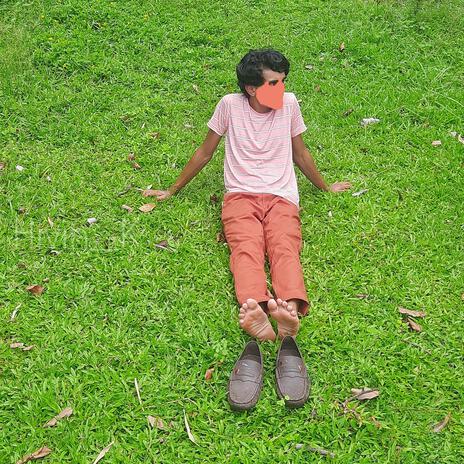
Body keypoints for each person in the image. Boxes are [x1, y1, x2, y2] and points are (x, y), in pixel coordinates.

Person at [146, 48, 351, 342]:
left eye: (283, 81)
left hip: (282, 196)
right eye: (273, 84)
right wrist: (172, 189)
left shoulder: (290, 104)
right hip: (241, 197)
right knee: (246, 249)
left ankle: (289, 310)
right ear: (251, 88)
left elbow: (301, 153)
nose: (281, 89)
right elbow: (205, 152)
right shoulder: (230, 105)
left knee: (284, 246)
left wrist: (326, 186)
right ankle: (255, 307)